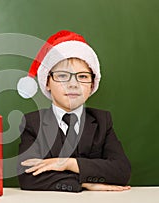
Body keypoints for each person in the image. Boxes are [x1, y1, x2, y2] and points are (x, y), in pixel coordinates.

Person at [16, 30, 131, 192]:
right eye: (63, 76)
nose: (73, 84)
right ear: (47, 82)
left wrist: (69, 163)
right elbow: (28, 177)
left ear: (92, 84)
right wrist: (83, 182)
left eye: (83, 77)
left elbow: (121, 171)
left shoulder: (102, 121)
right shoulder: (33, 123)